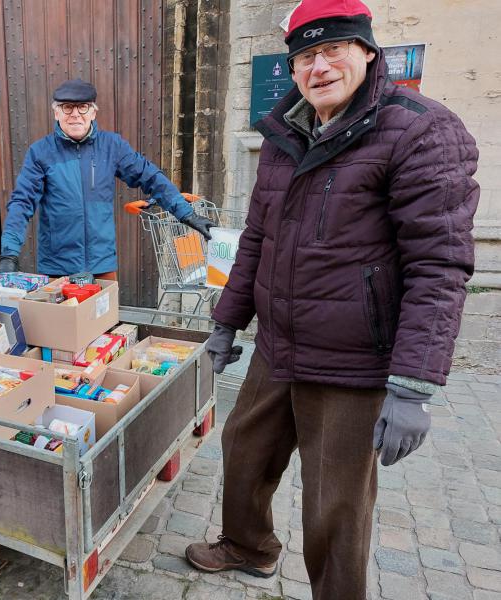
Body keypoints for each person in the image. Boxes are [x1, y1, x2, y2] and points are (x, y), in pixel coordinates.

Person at [184, 1, 479, 598]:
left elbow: (439, 264)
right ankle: (248, 546)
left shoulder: (420, 129)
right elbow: (258, 238)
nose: (319, 67)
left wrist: (413, 386)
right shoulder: (283, 133)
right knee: (243, 449)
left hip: (352, 358)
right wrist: (226, 322)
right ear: (293, 67)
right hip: (279, 344)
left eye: (333, 50)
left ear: (366, 52)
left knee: (334, 505)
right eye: (306, 56)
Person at [0, 78, 214, 279]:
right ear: (56, 113)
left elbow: (150, 177)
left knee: (105, 311)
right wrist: (9, 255)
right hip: (57, 266)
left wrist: (187, 215)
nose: (75, 114)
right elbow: (22, 202)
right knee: (60, 312)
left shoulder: (112, 146)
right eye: (67, 107)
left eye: (83, 107)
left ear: (93, 112)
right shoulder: (40, 152)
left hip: (101, 263)